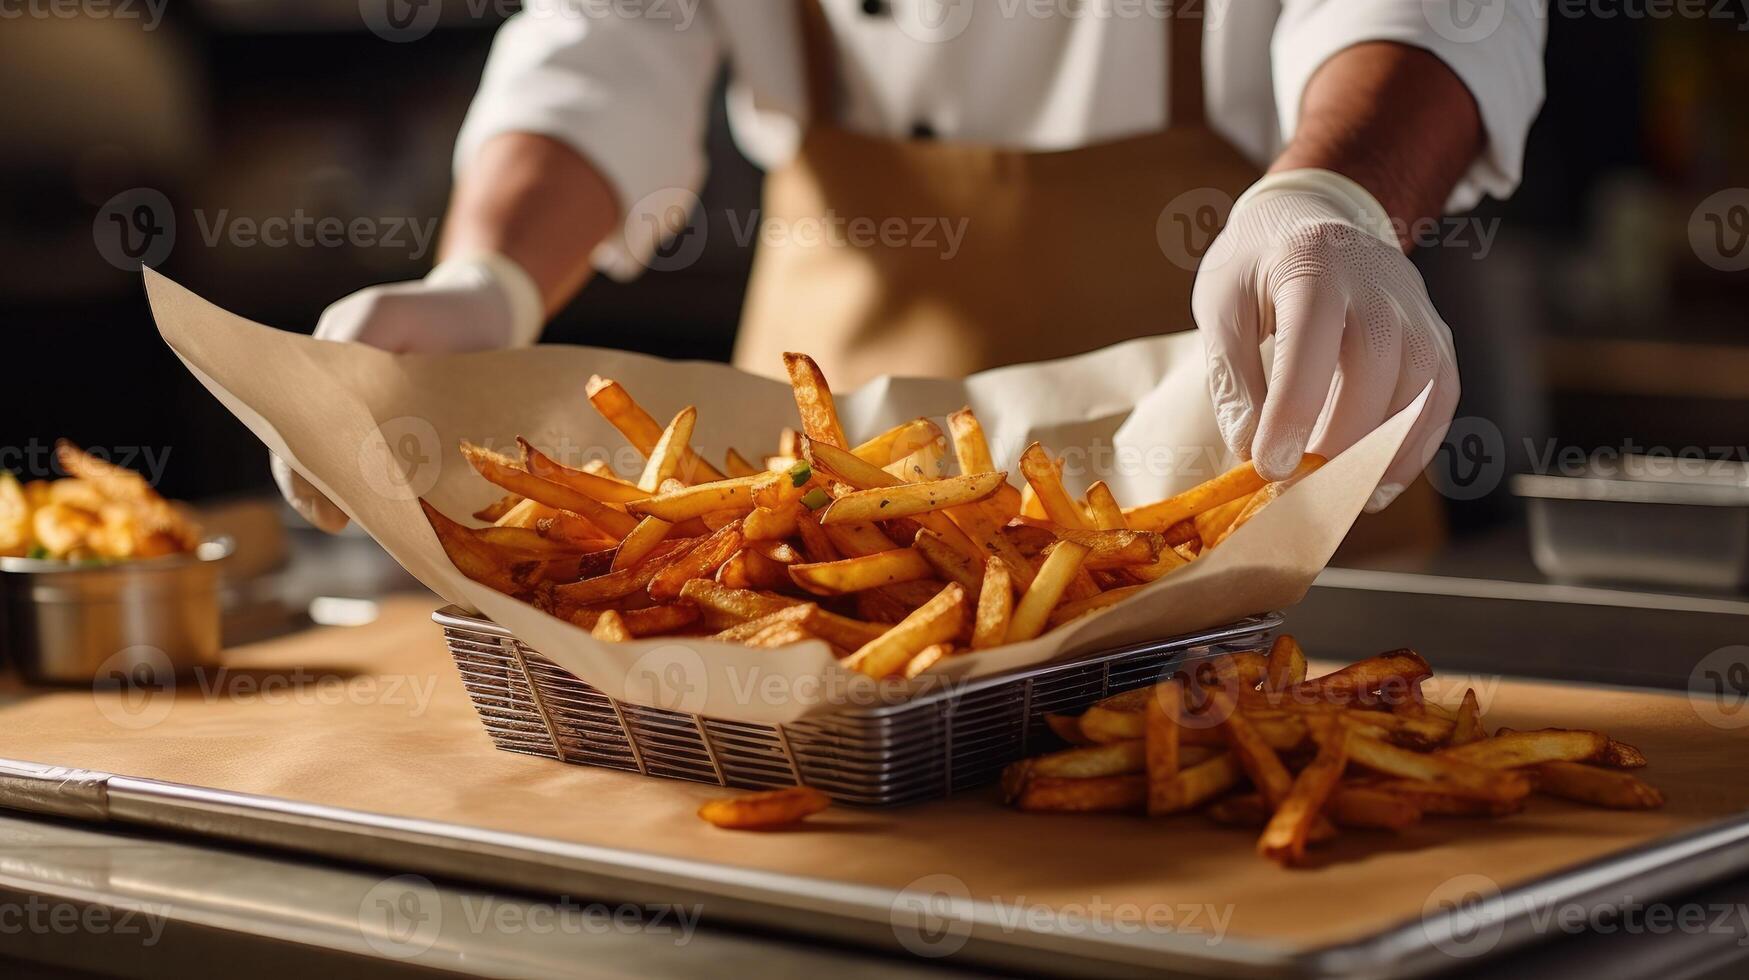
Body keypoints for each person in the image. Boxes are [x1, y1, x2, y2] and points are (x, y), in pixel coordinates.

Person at [277, 0, 1544, 538]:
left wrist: (1331, 200)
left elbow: (1422, 17)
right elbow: (604, 43)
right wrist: (488, 280)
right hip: (803, 539)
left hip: (1243, 479)